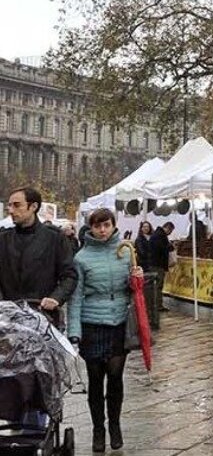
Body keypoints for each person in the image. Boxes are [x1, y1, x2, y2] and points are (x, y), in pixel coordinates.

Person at [69, 207, 143, 453]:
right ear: (90, 228)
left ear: (113, 225)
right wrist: (74, 332)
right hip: (92, 324)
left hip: (118, 322)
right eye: (97, 226)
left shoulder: (126, 252)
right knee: (95, 380)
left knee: (115, 379)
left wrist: (137, 278)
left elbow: (134, 290)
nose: (102, 230)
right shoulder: (81, 258)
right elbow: (76, 298)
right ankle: (97, 429)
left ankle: (115, 425)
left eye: (107, 225)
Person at [0, 187, 78, 324]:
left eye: (17, 205)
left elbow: (69, 276)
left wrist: (56, 298)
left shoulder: (54, 238)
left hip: (43, 318)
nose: (11, 210)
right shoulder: (3, 239)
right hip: (8, 319)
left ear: (33, 206)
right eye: (9, 205)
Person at [144, 222, 175, 312]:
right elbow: (164, 249)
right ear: (167, 228)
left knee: (154, 285)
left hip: (153, 264)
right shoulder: (161, 236)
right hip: (158, 264)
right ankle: (157, 305)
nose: (170, 233)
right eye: (170, 231)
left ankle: (154, 304)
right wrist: (170, 247)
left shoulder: (156, 234)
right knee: (158, 285)